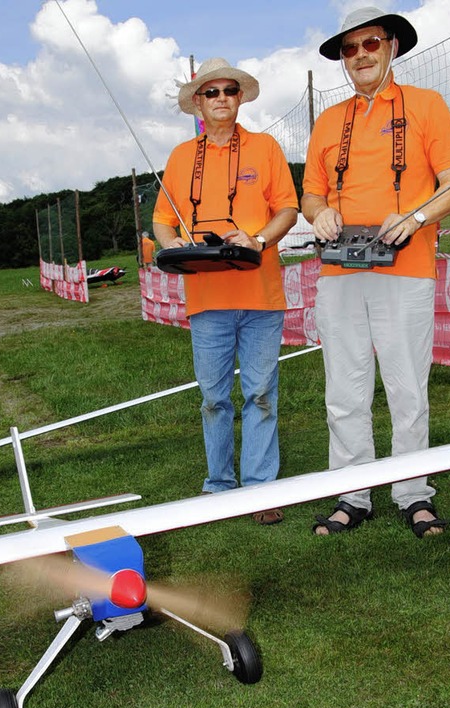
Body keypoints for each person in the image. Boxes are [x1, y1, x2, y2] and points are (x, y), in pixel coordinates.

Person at [301, 7, 450, 538]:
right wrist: (318, 212)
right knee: (344, 389)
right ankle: (352, 494)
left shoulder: (427, 105)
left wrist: (415, 216)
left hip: (407, 265)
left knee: (407, 386)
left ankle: (414, 493)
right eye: (349, 49)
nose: (360, 56)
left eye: (370, 43)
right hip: (339, 274)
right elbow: (310, 192)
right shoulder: (328, 121)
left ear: (392, 46)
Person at [153, 57, 298, 524]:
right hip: (207, 301)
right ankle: (219, 485)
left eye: (228, 92)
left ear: (239, 98)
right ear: (198, 102)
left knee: (260, 394)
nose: (221, 99)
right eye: (211, 92)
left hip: (260, 296)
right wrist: (171, 242)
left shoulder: (266, 147)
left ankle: (259, 489)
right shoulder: (179, 157)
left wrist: (256, 239)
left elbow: (289, 210)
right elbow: (162, 219)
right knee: (214, 398)